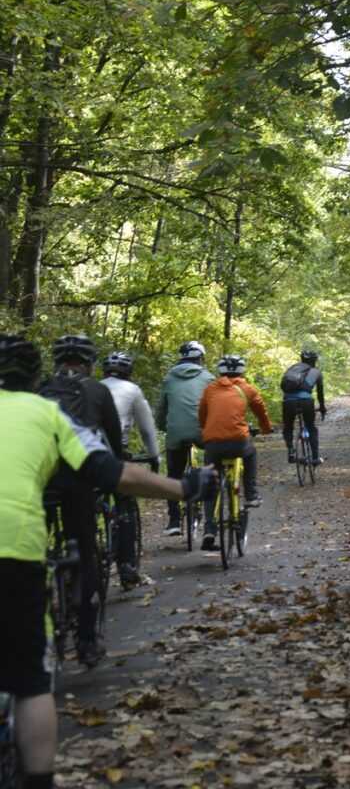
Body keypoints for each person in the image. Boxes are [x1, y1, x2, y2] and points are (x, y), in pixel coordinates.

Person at [0, 333, 215, 789]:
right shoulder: (48, 413)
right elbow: (115, 470)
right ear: (35, 377)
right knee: (30, 680)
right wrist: (184, 488)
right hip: (15, 552)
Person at [40, 334, 124, 666]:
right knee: (86, 554)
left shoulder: (40, 390)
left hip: (42, 479)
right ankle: (87, 641)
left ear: (57, 361)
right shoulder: (98, 390)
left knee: (35, 551)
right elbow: (114, 441)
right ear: (89, 362)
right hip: (80, 478)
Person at [198, 354, 274, 550]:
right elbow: (260, 410)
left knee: (211, 484)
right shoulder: (246, 388)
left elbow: (202, 414)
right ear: (241, 370)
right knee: (250, 453)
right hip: (238, 442)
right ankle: (251, 494)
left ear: (220, 371)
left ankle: (209, 530)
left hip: (213, 444)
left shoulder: (210, 389)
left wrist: (207, 430)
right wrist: (266, 428)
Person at [101, 351, 161, 589]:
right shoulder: (132, 390)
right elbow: (147, 429)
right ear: (129, 372)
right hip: (115, 452)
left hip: (83, 451)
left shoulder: (93, 387)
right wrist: (154, 456)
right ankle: (127, 567)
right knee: (124, 503)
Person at [156, 340, 213, 535]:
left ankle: (173, 520)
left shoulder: (169, 378)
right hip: (203, 432)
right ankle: (210, 522)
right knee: (212, 467)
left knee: (173, 474)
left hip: (176, 432)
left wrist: (163, 427)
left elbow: (161, 409)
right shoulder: (208, 378)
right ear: (201, 359)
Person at [281, 349, 326, 466]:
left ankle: (291, 451)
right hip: (306, 402)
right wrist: (322, 408)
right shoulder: (316, 372)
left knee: (288, 427)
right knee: (311, 428)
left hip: (288, 401)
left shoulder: (292, 369)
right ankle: (315, 458)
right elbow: (320, 393)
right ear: (314, 360)